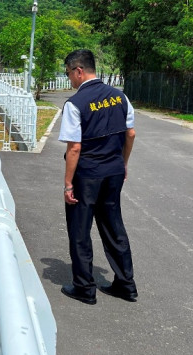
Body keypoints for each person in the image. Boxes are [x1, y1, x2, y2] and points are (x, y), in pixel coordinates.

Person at [57, 49, 138, 305]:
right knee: (113, 226)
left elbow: (75, 148)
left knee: (80, 230)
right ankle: (126, 285)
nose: (70, 79)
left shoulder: (75, 104)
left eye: (69, 73)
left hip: (87, 175)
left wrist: (68, 184)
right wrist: (122, 165)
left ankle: (85, 288)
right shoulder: (120, 97)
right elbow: (131, 134)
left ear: (79, 71)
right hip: (113, 171)